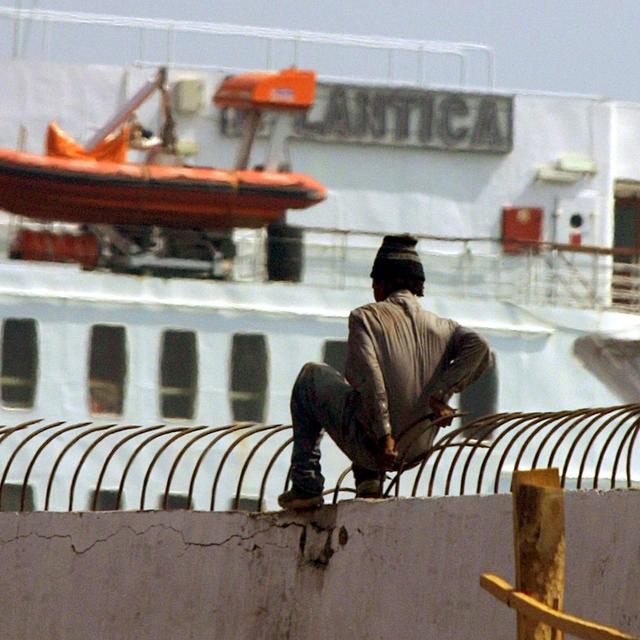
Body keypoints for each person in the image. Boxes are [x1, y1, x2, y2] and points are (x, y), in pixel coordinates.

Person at [278, 234, 492, 510]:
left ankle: (305, 483)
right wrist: (442, 394)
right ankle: (369, 482)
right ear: (417, 285)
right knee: (363, 390)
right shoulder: (444, 327)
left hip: (379, 447)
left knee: (312, 376)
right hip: (418, 446)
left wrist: (384, 436)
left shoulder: (364, 318)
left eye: (374, 283)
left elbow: (370, 381)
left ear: (381, 283)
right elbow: (481, 348)